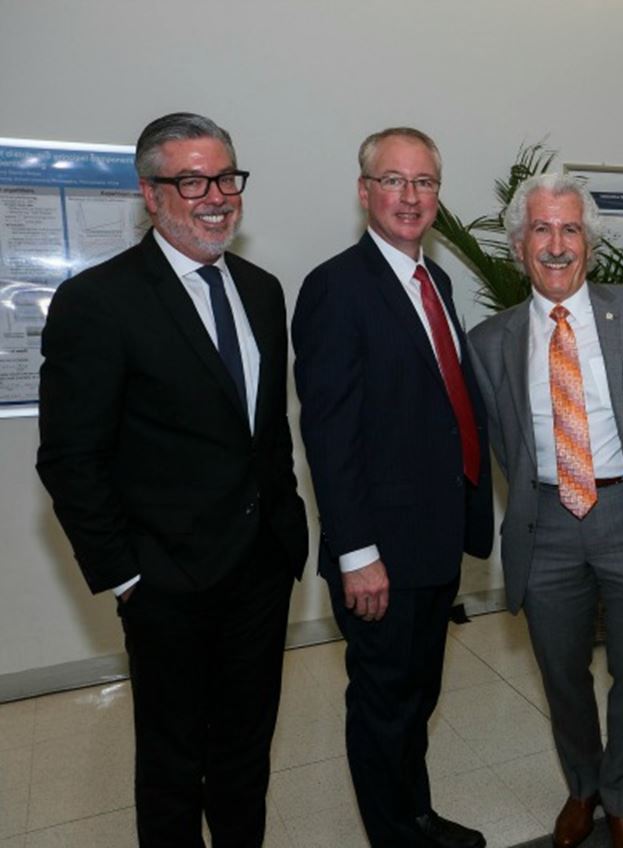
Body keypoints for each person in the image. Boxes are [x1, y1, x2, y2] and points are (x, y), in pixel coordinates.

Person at [36, 112, 309, 847]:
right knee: (171, 765)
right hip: (166, 585)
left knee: (246, 755)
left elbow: (264, 430)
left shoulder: (260, 290)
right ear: (150, 195)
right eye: (191, 180)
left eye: (226, 177)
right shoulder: (100, 301)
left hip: (260, 571)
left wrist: (287, 536)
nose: (215, 195)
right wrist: (127, 578)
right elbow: (68, 459)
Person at [468, 173, 623, 848]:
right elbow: (505, 444)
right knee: (561, 670)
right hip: (546, 522)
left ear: (589, 243)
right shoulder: (490, 342)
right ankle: (583, 785)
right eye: (542, 229)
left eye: (570, 229)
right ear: (519, 246)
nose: (557, 244)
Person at [292, 127, 493, 847]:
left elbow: (440, 408)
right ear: (364, 190)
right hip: (380, 553)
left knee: (416, 699)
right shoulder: (334, 289)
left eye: (424, 182)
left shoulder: (433, 282)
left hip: (434, 542)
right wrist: (356, 554)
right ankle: (397, 837)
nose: (410, 197)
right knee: (383, 706)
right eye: (393, 180)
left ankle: (416, 817)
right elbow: (330, 437)